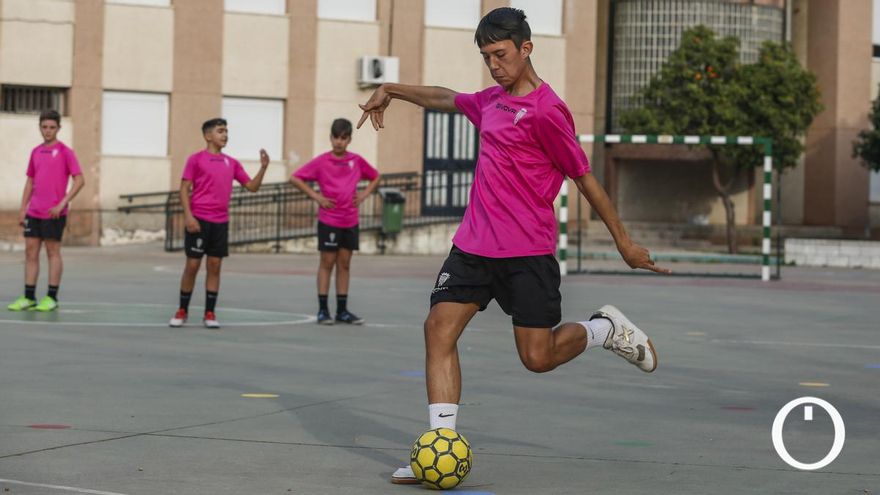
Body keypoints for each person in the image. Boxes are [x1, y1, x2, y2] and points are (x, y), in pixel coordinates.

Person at [356, 8, 671, 484]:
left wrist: (623, 243)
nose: (494, 65)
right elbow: (447, 97)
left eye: (500, 55)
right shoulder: (490, 101)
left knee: (537, 358)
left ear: (526, 48)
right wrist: (393, 89)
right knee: (438, 330)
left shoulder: (548, 111)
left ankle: (604, 329)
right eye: (486, 57)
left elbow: (584, 179)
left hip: (527, 251)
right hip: (474, 245)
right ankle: (440, 447)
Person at [168, 118, 270, 329]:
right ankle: (182, 310)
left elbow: (251, 187)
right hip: (199, 220)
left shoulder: (231, 162)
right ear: (208, 136)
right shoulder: (195, 160)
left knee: (214, 266)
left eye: (226, 131)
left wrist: (263, 168)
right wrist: (188, 216)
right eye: (220, 131)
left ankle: (210, 313)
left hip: (220, 222)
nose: (225, 135)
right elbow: (183, 189)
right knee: (192, 266)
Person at [290, 118, 380, 325]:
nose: (339, 142)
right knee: (327, 263)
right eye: (336, 137)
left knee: (345, 264)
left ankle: (342, 310)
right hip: (329, 220)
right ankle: (323, 310)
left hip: (350, 220)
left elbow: (376, 176)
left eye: (343, 138)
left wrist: (364, 194)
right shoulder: (321, 161)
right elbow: (295, 178)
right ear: (331, 138)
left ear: (349, 139)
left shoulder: (356, 161)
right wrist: (317, 197)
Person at [7, 110, 85, 312]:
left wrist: (62, 203)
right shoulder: (35, 152)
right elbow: (30, 181)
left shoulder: (66, 152)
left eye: (52, 127)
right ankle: (29, 297)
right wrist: (23, 208)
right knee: (30, 252)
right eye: (44, 127)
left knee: (53, 252)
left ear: (58, 128)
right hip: (34, 212)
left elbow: (80, 180)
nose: (48, 131)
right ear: (40, 128)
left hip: (54, 213)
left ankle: (51, 298)